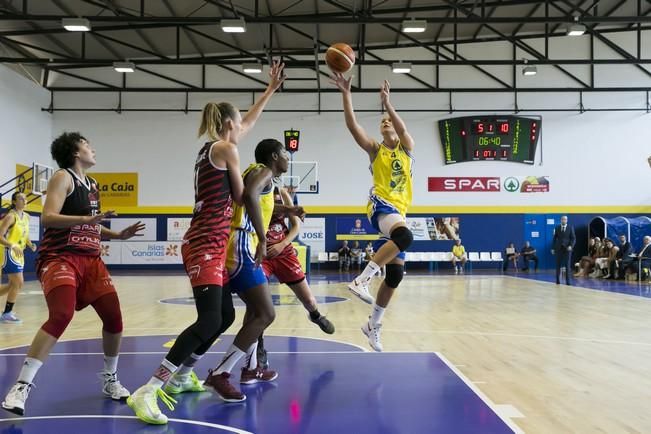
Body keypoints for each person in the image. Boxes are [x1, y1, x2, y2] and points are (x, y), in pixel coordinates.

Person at [127, 62, 286, 425]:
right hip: (205, 242)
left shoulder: (213, 147)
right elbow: (243, 193)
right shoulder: (226, 150)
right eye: (240, 123)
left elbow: (247, 124)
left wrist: (269, 90)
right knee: (212, 317)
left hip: (211, 241)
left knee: (226, 315)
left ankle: (184, 375)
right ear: (231, 124)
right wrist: (270, 185)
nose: (244, 128)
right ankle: (150, 388)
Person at [1, 132, 145, 416]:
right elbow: (49, 217)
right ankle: (21, 387)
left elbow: (93, 224)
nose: (93, 149)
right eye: (87, 145)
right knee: (62, 314)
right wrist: (85, 219)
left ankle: (110, 378)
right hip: (60, 257)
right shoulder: (62, 177)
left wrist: (117, 234)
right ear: (75, 152)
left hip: (91, 260)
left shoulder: (92, 184)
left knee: (114, 318)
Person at [204, 138, 304, 402]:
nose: (288, 157)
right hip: (242, 243)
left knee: (255, 312)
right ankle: (221, 372)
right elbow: (249, 196)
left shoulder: (255, 173)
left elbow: (256, 198)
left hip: (236, 242)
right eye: (285, 152)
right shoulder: (264, 171)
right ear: (274, 156)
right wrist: (262, 236)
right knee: (265, 313)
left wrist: (289, 209)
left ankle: (248, 369)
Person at [332, 75, 415, 352]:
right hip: (381, 204)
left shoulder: (407, 150)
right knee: (405, 237)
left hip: (399, 211)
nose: (386, 122)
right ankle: (362, 279)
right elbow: (352, 126)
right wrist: (346, 94)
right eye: (382, 122)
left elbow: (402, 129)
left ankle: (373, 325)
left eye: (389, 121)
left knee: (395, 277)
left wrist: (388, 104)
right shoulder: (375, 150)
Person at [256, 186, 335, 369]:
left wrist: (282, 244)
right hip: (260, 251)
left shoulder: (282, 192)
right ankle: (259, 347)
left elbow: (296, 225)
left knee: (309, 300)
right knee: (258, 306)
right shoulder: (253, 187)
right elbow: (263, 207)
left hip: (283, 250)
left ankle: (315, 315)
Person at [0, 192, 36, 322]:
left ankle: (7, 312)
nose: (25, 200)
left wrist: (30, 244)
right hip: (7, 251)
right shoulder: (10, 216)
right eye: (21, 198)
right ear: (14, 202)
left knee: (12, 285)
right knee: (18, 282)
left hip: (18, 252)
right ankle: (7, 313)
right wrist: (12, 245)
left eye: (25, 198)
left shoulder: (27, 216)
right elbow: (0, 236)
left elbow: (25, 234)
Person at [552, 215, 575, 285]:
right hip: (559, 249)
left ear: (567, 220)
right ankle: (557, 280)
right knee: (558, 265)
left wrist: (571, 246)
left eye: (565, 219)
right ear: (561, 220)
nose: (563, 220)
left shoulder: (570, 228)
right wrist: (553, 248)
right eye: (562, 219)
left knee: (567, 265)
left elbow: (573, 238)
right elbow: (554, 239)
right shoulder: (557, 228)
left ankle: (568, 281)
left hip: (567, 249)